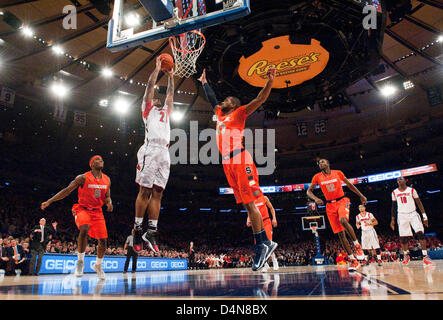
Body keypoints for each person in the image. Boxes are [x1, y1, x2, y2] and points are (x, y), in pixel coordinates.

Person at [197, 67, 278, 271]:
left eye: (226, 101)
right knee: (246, 205)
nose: (222, 102)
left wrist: (270, 81)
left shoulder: (240, 113)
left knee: (252, 204)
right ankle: (265, 243)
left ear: (233, 105)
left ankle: (261, 245)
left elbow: (259, 100)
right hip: (227, 164)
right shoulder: (220, 114)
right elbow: (212, 98)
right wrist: (204, 82)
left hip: (241, 159)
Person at [41, 155, 113, 279]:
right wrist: (49, 201)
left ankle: (98, 265)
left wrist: (109, 203)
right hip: (82, 208)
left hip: (97, 211)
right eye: (97, 159)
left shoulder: (107, 179)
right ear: (91, 164)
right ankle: (80, 261)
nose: (100, 161)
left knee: (103, 241)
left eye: (101, 159)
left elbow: (107, 196)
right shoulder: (83, 178)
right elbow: (67, 190)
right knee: (84, 228)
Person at [133, 56, 174, 254]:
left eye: (159, 98)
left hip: (165, 152)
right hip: (150, 149)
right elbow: (150, 85)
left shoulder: (166, 110)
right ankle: (137, 228)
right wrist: (157, 69)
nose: (157, 98)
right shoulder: (147, 110)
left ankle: (151, 231)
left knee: (158, 193)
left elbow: (171, 96)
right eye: (155, 97)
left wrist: (171, 77)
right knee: (145, 191)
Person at [307, 158, 367, 271]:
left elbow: (350, 185)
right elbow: (308, 191)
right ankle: (352, 260)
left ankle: (357, 246)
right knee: (341, 235)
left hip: (342, 201)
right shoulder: (317, 177)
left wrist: (361, 195)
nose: (321, 163)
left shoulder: (338, 173)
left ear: (328, 163)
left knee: (343, 220)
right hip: (330, 206)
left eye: (323, 162)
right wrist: (315, 199)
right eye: (319, 163)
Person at [390, 176, 433, 265]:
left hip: (413, 213)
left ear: (405, 181)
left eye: (401, 179)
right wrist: (393, 219)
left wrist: (424, 215)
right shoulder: (394, 192)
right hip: (401, 215)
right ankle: (406, 255)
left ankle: (425, 256)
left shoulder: (412, 190)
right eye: (397, 180)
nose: (399, 180)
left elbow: (419, 202)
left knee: (420, 233)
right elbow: (393, 207)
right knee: (403, 238)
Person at [246, 195, 279, 271]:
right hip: (256, 223)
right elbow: (250, 212)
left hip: (266, 221)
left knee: (268, 243)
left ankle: (274, 260)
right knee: (260, 246)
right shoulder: (251, 201)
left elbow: (271, 208)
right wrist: (248, 219)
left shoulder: (264, 198)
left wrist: (274, 218)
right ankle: (265, 265)